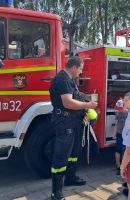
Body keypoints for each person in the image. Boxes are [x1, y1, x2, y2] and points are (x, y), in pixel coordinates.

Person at [49, 56, 97, 200]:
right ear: (74, 67)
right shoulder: (63, 79)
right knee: (61, 157)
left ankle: (70, 178)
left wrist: (85, 98)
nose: (81, 72)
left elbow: (75, 96)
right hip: (65, 123)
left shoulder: (69, 80)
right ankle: (56, 192)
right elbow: (68, 103)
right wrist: (88, 105)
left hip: (74, 122)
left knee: (74, 152)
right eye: (81, 69)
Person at [112, 98, 128, 175]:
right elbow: (116, 124)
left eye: (120, 108)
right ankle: (118, 165)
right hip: (119, 133)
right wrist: (114, 133)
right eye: (118, 109)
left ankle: (124, 165)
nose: (119, 110)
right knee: (118, 149)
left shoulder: (129, 113)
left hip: (127, 134)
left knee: (125, 150)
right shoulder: (118, 113)